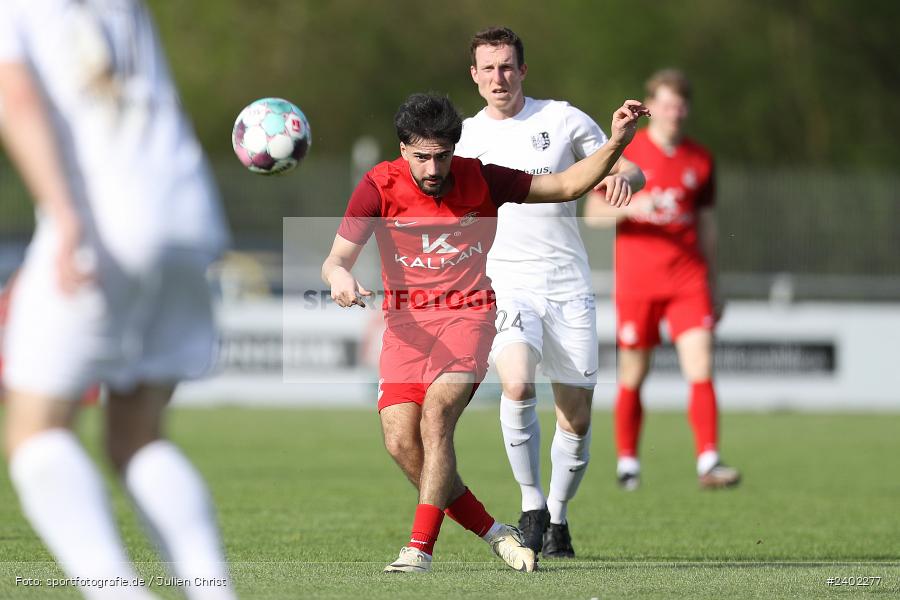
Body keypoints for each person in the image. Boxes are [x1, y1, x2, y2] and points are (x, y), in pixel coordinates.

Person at [322, 92, 647, 573]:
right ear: (402, 149)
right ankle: (497, 533)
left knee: (436, 418)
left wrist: (617, 143)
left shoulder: (481, 177)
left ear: (455, 148)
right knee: (401, 444)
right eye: (421, 157)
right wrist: (339, 278)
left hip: (468, 318)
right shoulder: (377, 185)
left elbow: (565, 185)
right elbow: (336, 260)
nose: (433, 168)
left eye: (442, 155)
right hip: (406, 329)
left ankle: (420, 549)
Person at [0, 2, 236, 599]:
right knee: (138, 437)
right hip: (188, 209)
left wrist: (62, 213)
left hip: (107, 216)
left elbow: (15, 98)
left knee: (34, 431)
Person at [454, 26, 646, 558]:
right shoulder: (465, 138)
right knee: (515, 385)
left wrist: (627, 175)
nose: (499, 77)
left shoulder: (560, 118)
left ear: (523, 70)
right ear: (474, 76)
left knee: (575, 419)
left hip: (566, 284)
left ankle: (558, 518)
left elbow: (625, 163)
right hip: (505, 283)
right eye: (488, 68)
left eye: (508, 66)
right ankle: (531, 506)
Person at [584, 69, 740, 491]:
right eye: (667, 105)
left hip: (688, 281)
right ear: (652, 108)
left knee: (701, 365)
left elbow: (707, 225)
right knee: (634, 372)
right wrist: (631, 208)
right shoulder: (628, 157)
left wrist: (714, 282)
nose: (675, 112)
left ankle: (709, 460)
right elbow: (593, 214)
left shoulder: (700, 159)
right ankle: (628, 462)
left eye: (681, 105)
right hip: (639, 282)